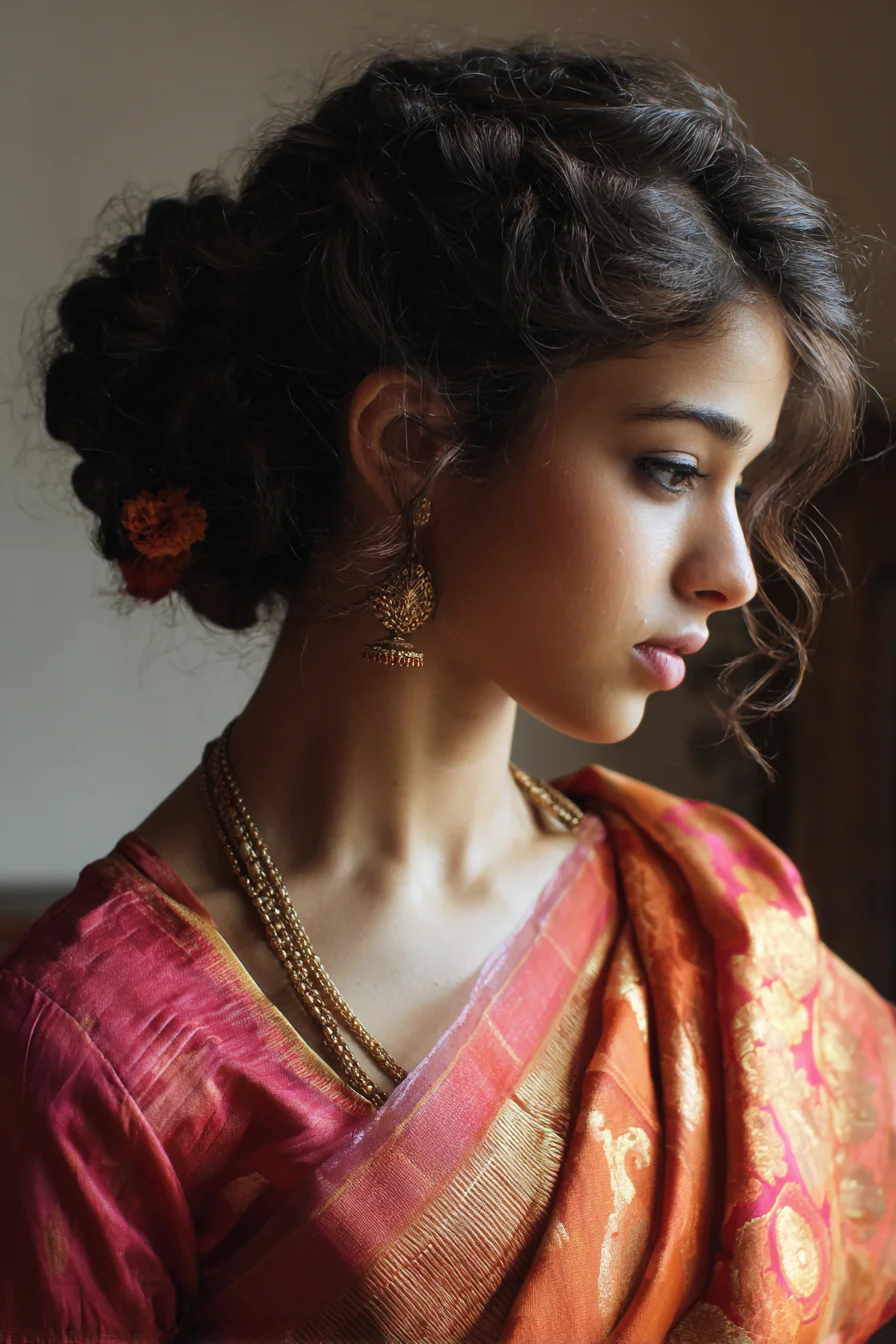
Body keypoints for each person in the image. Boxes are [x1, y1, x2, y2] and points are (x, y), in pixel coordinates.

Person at [1, 38, 894, 1344]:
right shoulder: (94, 1050)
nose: (730, 572)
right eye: (665, 468)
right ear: (415, 445)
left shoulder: (717, 916)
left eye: (742, 487)